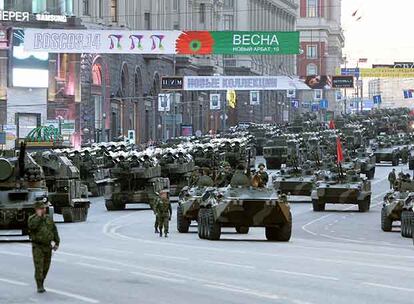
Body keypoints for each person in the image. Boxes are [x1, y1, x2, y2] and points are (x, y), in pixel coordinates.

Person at [28, 201, 60, 293]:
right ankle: (39, 285)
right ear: (36, 209)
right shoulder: (32, 219)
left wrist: (57, 242)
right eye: (41, 208)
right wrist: (38, 217)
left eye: (44, 208)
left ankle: (42, 281)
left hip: (48, 246)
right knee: (39, 267)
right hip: (38, 246)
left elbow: (54, 230)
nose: (43, 210)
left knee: (46, 267)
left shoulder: (48, 219)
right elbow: (32, 227)